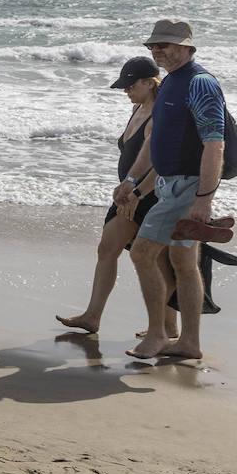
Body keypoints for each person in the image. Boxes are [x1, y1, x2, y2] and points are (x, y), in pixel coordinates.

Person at [114, 20, 226, 360]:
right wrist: (132, 182)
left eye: (165, 44)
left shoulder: (200, 83)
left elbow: (214, 144)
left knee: (142, 253)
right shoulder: (170, 84)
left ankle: (158, 334)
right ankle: (189, 342)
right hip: (168, 185)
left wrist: (204, 199)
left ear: (187, 47)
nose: (157, 50)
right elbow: (153, 142)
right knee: (182, 260)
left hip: (187, 186)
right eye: (153, 46)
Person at [56, 56, 176, 337]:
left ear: (150, 82)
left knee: (159, 260)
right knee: (107, 249)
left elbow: (161, 163)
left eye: (130, 85)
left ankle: (169, 326)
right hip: (128, 193)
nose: (126, 90)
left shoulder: (159, 114)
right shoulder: (138, 107)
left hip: (150, 195)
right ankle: (92, 316)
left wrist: (136, 192)